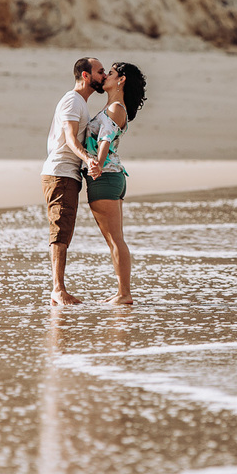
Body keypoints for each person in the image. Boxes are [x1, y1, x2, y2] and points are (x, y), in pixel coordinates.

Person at [41, 57, 106, 306]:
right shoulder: (72, 100)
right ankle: (58, 290)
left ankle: (59, 288)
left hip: (67, 174)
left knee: (64, 230)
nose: (104, 76)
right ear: (86, 76)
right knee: (60, 230)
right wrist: (88, 159)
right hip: (60, 173)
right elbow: (69, 137)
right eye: (100, 72)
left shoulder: (80, 102)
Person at [83, 62, 147, 306]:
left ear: (121, 80)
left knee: (115, 240)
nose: (105, 77)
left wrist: (97, 163)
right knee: (115, 239)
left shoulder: (115, 108)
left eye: (110, 73)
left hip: (106, 177)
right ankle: (122, 292)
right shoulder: (114, 106)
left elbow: (105, 137)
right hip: (113, 176)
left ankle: (124, 294)